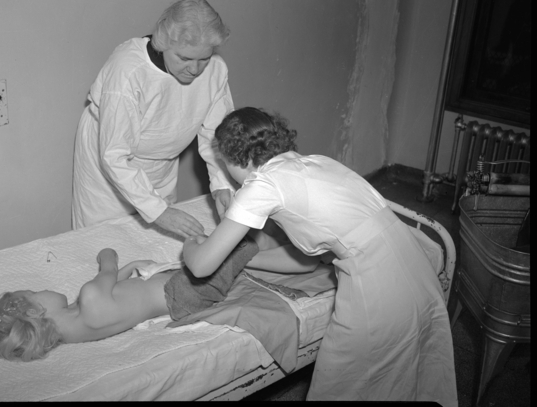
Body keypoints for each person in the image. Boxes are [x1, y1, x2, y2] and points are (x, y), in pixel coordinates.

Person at [182, 107, 458, 405]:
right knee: (405, 380)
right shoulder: (317, 163)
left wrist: (191, 244)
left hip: (379, 292)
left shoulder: (261, 185)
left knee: (341, 385)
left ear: (238, 158)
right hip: (417, 268)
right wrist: (248, 259)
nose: (228, 175)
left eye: (224, 164)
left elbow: (200, 266)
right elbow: (312, 259)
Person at [0, 225, 318, 362]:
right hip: (187, 290)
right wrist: (109, 256)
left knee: (229, 261)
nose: (44, 288)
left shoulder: (73, 332)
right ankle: (300, 256)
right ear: (35, 311)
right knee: (238, 242)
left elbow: (114, 291)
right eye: (35, 291)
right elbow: (108, 265)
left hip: (176, 301)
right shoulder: (89, 296)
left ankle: (261, 256)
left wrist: (130, 270)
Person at [72, 0, 235, 238]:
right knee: (102, 241)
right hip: (107, 168)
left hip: (161, 164)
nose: (195, 69)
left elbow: (216, 136)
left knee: (154, 244)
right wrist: (159, 212)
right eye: (185, 58)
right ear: (163, 43)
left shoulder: (215, 70)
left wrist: (222, 185)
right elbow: (113, 156)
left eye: (204, 59)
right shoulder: (129, 71)